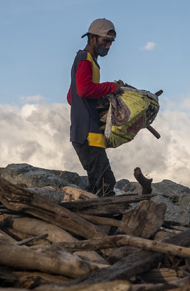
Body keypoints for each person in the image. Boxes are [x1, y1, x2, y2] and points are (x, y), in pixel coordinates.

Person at [67, 18, 122, 197]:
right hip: (87, 133)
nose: (108, 46)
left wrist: (98, 99)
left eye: (111, 42)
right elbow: (83, 90)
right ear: (92, 37)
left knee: (101, 181)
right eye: (105, 41)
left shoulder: (89, 61)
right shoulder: (85, 59)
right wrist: (111, 88)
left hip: (86, 131)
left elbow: (71, 97)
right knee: (104, 183)